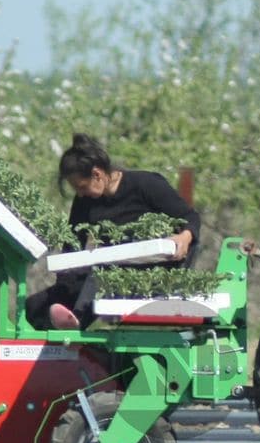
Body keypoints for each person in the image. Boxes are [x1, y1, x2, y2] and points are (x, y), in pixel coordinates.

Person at [24, 134, 203, 330]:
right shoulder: (84, 201)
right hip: (109, 272)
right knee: (36, 305)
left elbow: (190, 217)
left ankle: (76, 321)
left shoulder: (146, 184)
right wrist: (64, 287)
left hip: (149, 275)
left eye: (81, 187)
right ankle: (63, 338)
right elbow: (72, 244)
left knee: (101, 273)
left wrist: (184, 237)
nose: (81, 194)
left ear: (97, 174)